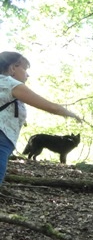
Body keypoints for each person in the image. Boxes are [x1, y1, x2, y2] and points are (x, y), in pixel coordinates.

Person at [0, 51, 82, 185]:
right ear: (13, 67)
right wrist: (72, 114)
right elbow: (51, 107)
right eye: (25, 69)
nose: (28, 74)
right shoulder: (11, 84)